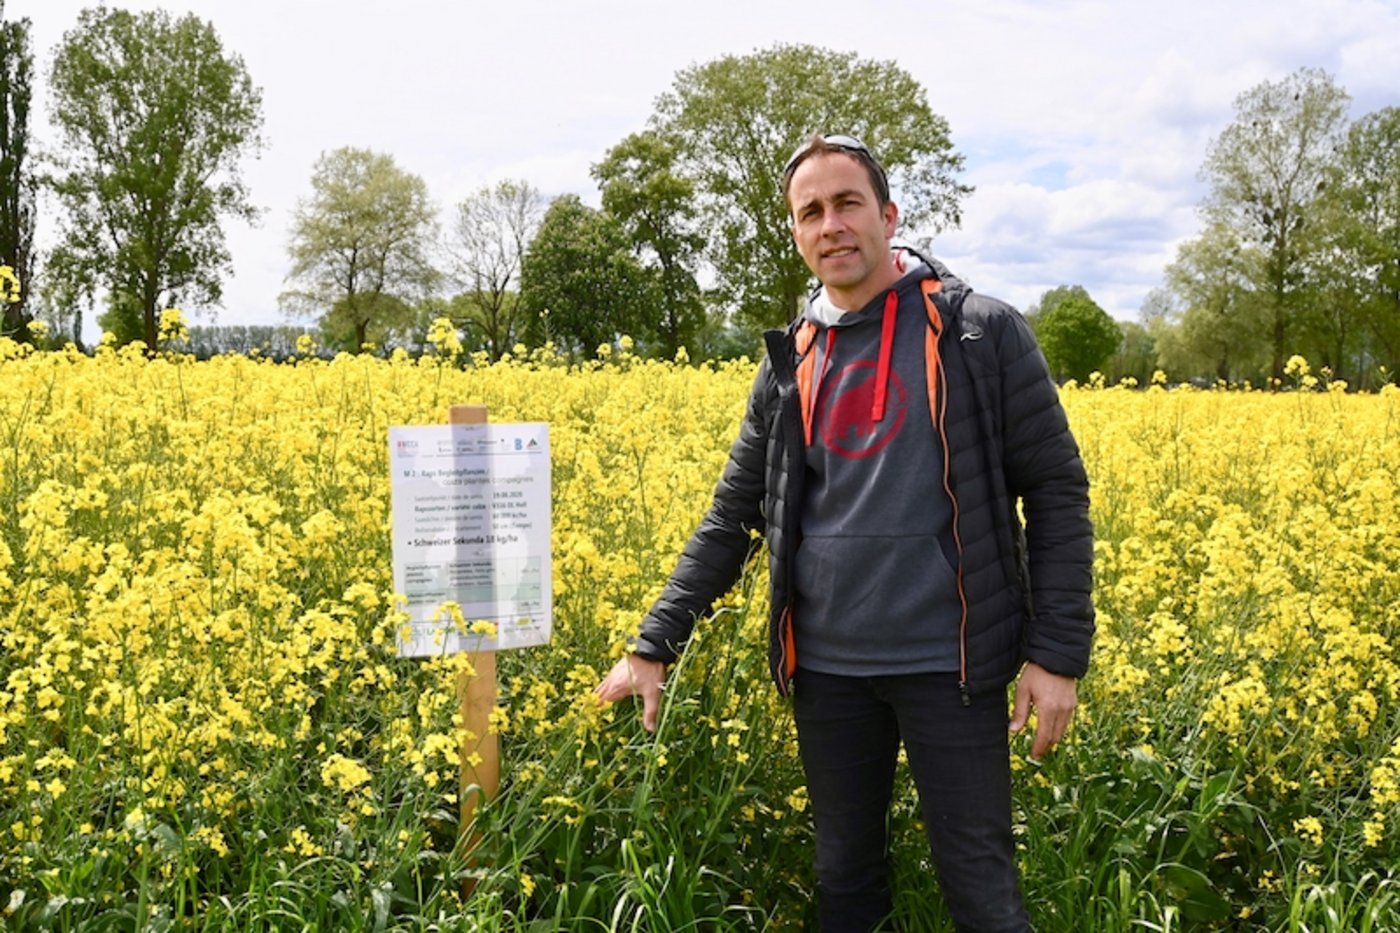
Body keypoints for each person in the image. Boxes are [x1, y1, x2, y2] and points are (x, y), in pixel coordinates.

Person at [595, 133, 1094, 932]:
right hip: (827, 670)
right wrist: (655, 641)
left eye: (847, 203)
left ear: (888, 215)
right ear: (797, 233)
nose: (831, 224)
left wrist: (1056, 654)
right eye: (810, 211)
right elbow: (734, 516)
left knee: (982, 890)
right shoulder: (790, 359)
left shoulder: (979, 334)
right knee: (846, 884)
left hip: (952, 665)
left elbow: (1057, 491)